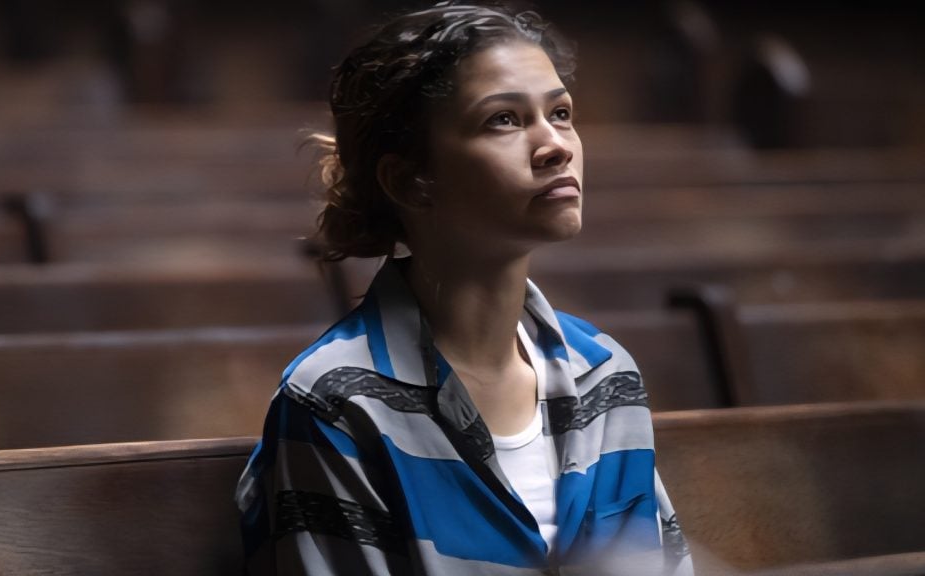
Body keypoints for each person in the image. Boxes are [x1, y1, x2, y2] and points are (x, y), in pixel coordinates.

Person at [236, 3, 695, 574]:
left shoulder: (605, 375)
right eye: (503, 119)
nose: (555, 145)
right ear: (410, 180)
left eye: (561, 113)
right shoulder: (336, 402)